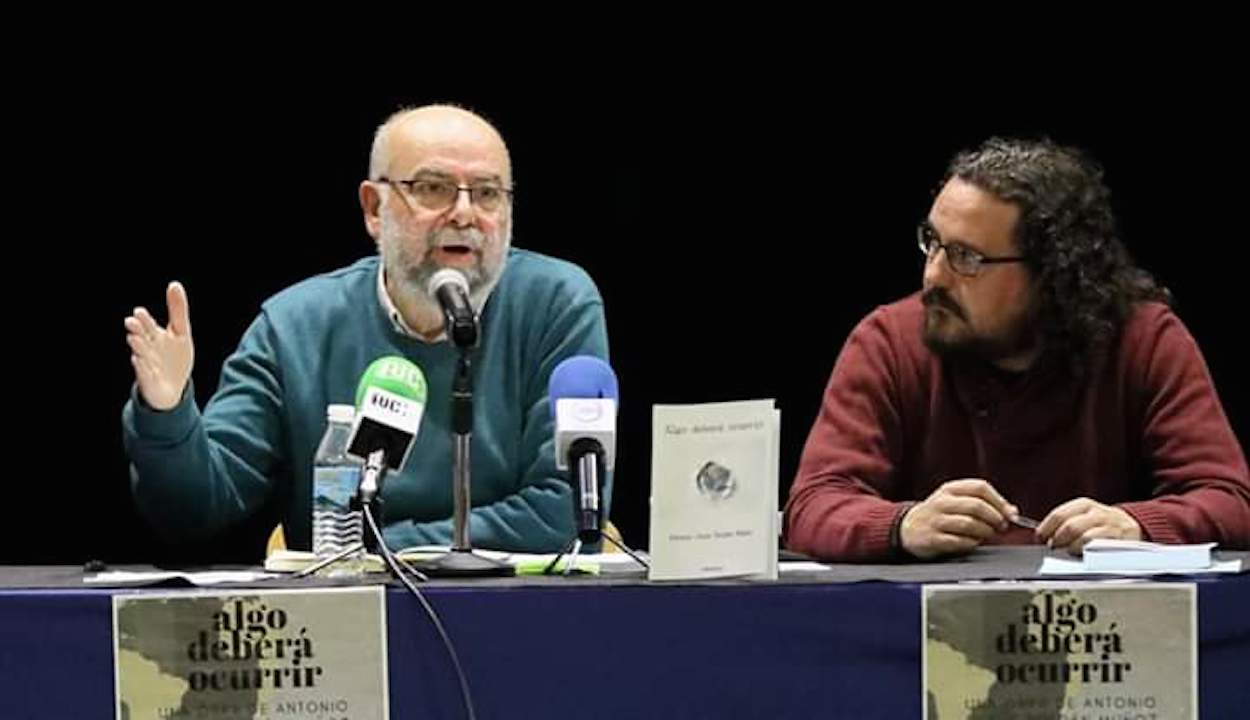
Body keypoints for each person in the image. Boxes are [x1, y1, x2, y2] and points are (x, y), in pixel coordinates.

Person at [122, 104, 610, 553]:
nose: (465, 213)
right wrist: (166, 414)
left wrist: (376, 551)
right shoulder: (295, 326)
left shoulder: (557, 304)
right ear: (374, 208)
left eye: (487, 194)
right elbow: (195, 511)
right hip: (345, 628)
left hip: (512, 615)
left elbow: (565, 510)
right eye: (433, 188)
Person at [785, 137, 1249, 561]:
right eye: (933, 244)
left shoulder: (1143, 340)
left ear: (1052, 274)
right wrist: (902, 525)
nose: (934, 277)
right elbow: (811, 506)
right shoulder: (888, 341)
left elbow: (1230, 500)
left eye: (967, 257)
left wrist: (1138, 525)